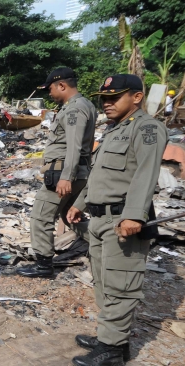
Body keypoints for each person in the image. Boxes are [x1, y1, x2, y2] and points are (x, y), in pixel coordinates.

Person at [67, 74, 168, 366]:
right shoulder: (114, 131)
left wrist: (135, 215)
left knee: (121, 286)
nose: (107, 103)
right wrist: (79, 204)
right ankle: (111, 338)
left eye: (115, 97)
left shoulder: (147, 128)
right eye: (104, 98)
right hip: (99, 220)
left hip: (123, 221)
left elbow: (145, 174)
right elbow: (101, 176)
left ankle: (111, 350)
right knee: (104, 283)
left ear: (137, 97)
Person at [16, 67, 97, 278]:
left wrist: (65, 177)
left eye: (50, 89)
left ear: (62, 85)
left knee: (41, 217)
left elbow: (74, 145)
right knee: (71, 215)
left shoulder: (74, 109)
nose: (50, 94)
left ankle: (43, 265)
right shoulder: (83, 105)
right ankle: (105, 244)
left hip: (65, 172)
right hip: (75, 172)